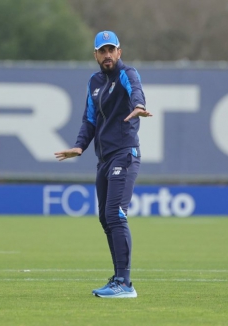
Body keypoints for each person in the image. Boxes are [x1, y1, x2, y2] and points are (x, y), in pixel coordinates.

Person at [54, 31, 153, 298]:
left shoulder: (127, 73)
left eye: (112, 50)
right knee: (105, 218)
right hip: (105, 159)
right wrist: (79, 146)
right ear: (95, 55)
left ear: (119, 52)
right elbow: (89, 120)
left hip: (125, 154)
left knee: (115, 214)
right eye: (102, 50)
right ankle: (118, 279)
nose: (108, 55)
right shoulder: (95, 82)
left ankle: (125, 283)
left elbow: (136, 90)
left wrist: (140, 105)